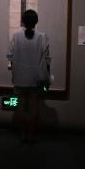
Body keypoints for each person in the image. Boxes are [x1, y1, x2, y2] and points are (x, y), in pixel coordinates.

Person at [6, 9, 51, 143]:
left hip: (19, 77)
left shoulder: (15, 36)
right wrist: (47, 76)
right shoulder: (42, 37)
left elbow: (10, 57)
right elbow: (47, 60)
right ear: (36, 22)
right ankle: (31, 134)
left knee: (20, 106)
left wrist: (17, 69)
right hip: (36, 78)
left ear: (23, 21)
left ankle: (22, 134)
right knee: (34, 106)